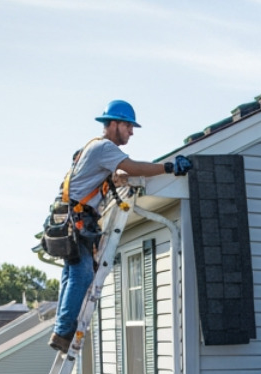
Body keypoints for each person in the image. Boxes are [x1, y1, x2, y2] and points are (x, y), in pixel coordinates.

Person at [48, 100, 189, 354]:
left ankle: (61, 328)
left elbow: (118, 175)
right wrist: (168, 168)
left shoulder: (94, 149)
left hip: (69, 216)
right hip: (77, 218)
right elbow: (131, 167)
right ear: (113, 124)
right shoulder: (104, 147)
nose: (131, 132)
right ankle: (64, 332)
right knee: (81, 275)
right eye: (128, 126)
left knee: (71, 276)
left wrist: (126, 177)